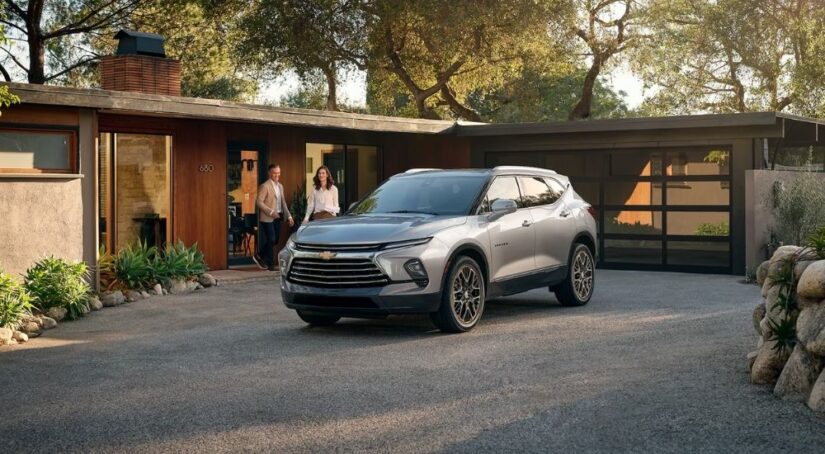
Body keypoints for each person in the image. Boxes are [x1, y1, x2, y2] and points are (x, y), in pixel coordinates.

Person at [253, 164, 294, 271]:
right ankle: (271, 264)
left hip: (278, 216)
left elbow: (283, 203)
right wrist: (270, 212)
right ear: (269, 173)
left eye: (278, 173)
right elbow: (259, 202)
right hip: (267, 217)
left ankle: (259, 255)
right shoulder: (265, 186)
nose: (277, 175)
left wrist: (289, 216)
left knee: (275, 240)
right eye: (275, 173)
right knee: (271, 239)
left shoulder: (280, 186)